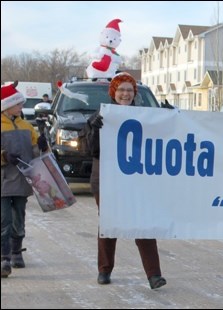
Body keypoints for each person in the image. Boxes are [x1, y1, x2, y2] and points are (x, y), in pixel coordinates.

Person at [81, 72, 167, 289]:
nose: (125, 94)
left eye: (129, 90)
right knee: (109, 224)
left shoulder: (146, 115)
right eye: (121, 89)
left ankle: (154, 275)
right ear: (113, 92)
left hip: (138, 181)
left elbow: (161, 143)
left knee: (143, 223)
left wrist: (169, 120)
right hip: (106, 180)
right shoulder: (101, 115)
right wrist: (92, 129)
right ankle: (104, 270)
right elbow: (89, 150)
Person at [1, 82, 49, 278]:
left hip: (22, 181)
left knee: (19, 217)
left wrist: (42, 145)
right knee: (4, 220)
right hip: (3, 181)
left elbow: (36, 153)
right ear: (6, 106)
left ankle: (16, 251)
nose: (22, 107)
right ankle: (4, 257)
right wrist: (3, 156)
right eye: (18, 104)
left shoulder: (27, 125)